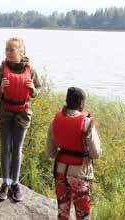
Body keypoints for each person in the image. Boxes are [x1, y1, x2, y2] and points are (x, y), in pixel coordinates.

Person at [0, 37, 42, 202]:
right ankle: (5, 183)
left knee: (17, 149)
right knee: (5, 147)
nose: (8, 53)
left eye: (12, 50)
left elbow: (37, 90)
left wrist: (33, 90)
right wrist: (0, 89)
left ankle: (15, 184)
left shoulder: (31, 70)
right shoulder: (0, 70)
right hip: (4, 113)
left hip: (23, 114)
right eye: (7, 50)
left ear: (21, 51)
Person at [46, 87, 102, 220]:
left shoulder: (55, 121)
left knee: (63, 213)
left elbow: (50, 152)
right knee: (82, 215)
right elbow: (96, 153)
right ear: (81, 104)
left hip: (60, 172)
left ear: (67, 101)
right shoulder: (87, 123)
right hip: (79, 173)